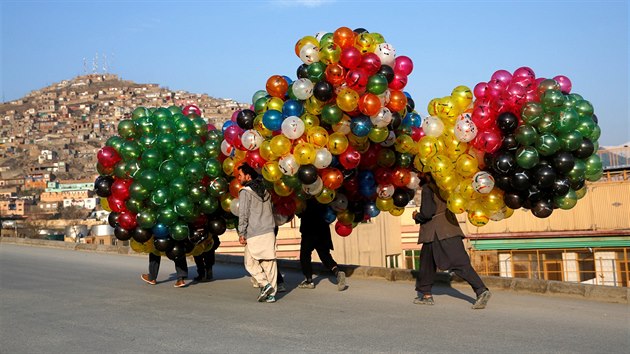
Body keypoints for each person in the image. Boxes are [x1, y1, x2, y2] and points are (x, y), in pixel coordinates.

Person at [412, 174, 491, 309]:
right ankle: (426, 294)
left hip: (437, 232)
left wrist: (416, 216)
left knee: (458, 263)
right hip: (448, 229)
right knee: (427, 262)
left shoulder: (428, 188)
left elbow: (427, 213)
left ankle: (481, 290)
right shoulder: (448, 187)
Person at [237, 163, 278, 303]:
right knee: (269, 263)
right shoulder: (266, 191)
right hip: (268, 230)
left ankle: (264, 284)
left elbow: (243, 214)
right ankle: (271, 294)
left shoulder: (245, 192)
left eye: (240, 175)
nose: (238, 178)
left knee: (250, 262)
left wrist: (241, 232)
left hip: (254, 231)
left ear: (248, 176)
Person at [296, 197, 346, 291]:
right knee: (325, 256)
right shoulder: (323, 197)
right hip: (323, 229)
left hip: (309, 230)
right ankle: (337, 271)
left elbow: (299, 212)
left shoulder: (305, 197)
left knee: (305, 255)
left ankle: (309, 280)